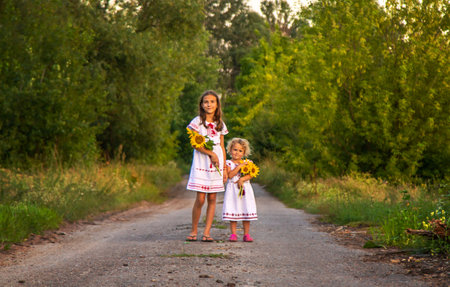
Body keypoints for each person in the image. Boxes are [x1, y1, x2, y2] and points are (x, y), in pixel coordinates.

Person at [185, 90, 228, 242]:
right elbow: (194, 144)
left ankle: (207, 232)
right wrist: (210, 153)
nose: (209, 104)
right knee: (201, 198)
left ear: (217, 105)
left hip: (217, 162)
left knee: (212, 198)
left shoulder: (220, 124)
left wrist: (224, 168)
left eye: (212, 102)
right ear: (201, 105)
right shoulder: (197, 122)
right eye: (206, 102)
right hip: (203, 160)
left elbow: (222, 146)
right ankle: (194, 230)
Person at [222, 138, 258, 242]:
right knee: (233, 210)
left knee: (245, 209)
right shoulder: (228, 163)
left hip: (245, 190)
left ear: (244, 152)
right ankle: (233, 234)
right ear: (230, 150)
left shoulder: (248, 163)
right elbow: (230, 175)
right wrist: (239, 167)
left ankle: (246, 234)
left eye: (240, 151)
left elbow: (251, 174)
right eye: (235, 150)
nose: (237, 153)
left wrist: (242, 179)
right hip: (233, 190)